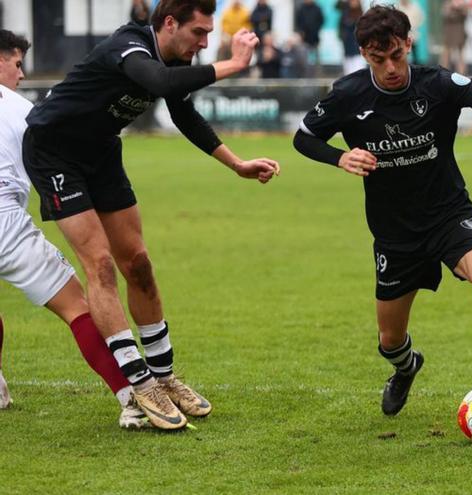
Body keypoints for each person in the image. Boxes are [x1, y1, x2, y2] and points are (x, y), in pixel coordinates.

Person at [22, 0, 280, 430]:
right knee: (100, 264)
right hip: (54, 153)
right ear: (170, 23)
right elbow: (158, 80)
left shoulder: (174, 57)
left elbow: (185, 115)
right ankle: (140, 383)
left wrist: (236, 164)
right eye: (199, 33)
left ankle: (164, 376)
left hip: (100, 152)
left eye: (208, 34)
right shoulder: (129, 46)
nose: (204, 42)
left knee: (138, 264)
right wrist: (232, 65)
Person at [293, 5, 472, 417]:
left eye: (397, 54)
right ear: (364, 53)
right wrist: (339, 157)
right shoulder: (348, 95)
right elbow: (303, 138)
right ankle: (406, 368)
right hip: (395, 233)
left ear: (408, 43)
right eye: (379, 59)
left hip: (450, 215)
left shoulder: (438, 84)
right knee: (389, 339)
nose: (391, 67)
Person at [0, 30, 145, 428]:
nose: (22, 74)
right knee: (78, 307)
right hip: (5, 223)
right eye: (15, 63)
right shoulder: (17, 109)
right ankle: (131, 397)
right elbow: (49, 154)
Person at [295, 0, 325, 76]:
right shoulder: (301, 9)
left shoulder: (317, 8)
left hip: (314, 41)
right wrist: (301, 32)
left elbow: (321, 21)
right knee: (304, 64)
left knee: (314, 64)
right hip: (304, 42)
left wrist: (315, 29)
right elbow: (298, 22)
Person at [337, 0, 365, 75]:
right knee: (348, 71)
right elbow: (337, 5)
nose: (353, 2)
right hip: (347, 45)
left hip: (358, 47)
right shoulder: (345, 12)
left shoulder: (361, 15)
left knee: (358, 69)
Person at [441, 0, 468, 75]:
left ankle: (462, 74)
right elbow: (446, 15)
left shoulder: (463, 4)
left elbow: (465, 14)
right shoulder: (447, 3)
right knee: (446, 54)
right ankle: (443, 73)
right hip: (449, 32)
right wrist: (452, 8)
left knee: (460, 55)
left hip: (459, 31)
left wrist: (459, 8)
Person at [396, 0, 424, 64]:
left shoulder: (415, 6)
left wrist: (414, 27)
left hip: (413, 34)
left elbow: (420, 17)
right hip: (401, 35)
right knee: (402, 52)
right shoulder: (397, 7)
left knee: (415, 53)